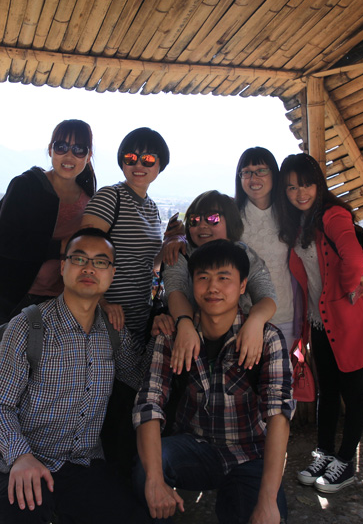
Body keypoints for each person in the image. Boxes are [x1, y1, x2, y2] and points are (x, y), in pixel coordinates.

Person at [0, 227, 148, 524]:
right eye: (79, 259)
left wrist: (171, 325)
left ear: (112, 274)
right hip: (23, 458)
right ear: (63, 267)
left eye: (100, 262)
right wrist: (20, 457)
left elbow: (140, 380)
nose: (89, 268)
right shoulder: (28, 326)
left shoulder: (113, 333)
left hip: (82, 463)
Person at [133, 239, 294, 524]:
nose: (213, 288)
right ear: (192, 284)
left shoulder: (267, 338)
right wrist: (154, 480)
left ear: (243, 286)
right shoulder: (173, 336)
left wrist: (268, 500)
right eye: (203, 278)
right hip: (193, 447)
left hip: (250, 453)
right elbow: (149, 404)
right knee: (145, 470)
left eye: (224, 278)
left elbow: (278, 414)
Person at [276, 153, 363, 494]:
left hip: (347, 321)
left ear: (318, 184)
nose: (300, 193)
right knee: (328, 391)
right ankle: (323, 454)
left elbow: (354, 258)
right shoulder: (300, 222)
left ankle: (345, 462)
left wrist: (348, 291)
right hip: (319, 323)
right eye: (291, 187)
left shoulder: (333, 215)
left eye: (306, 184)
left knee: (353, 393)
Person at [0, 119, 96, 406]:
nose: (69, 155)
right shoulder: (27, 185)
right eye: (62, 146)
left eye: (79, 149)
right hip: (8, 299)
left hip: (53, 305)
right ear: (50, 149)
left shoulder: (88, 198)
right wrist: (59, 247)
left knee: (41, 386)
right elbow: (5, 242)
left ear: (89, 155)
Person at [160, 191, 278, 375]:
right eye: (194, 220)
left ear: (230, 221)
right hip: (188, 336)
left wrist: (256, 321)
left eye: (212, 218)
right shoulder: (181, 254)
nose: (202, 225)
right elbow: (175, 291)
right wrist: (184, 323)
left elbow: (266, 295)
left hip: (238, 336)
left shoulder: (244, 256)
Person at [80, 127, 170, 345]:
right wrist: (102, 303)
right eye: (130, 158)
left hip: (140, 320)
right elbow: (81, 255)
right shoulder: (110, 197)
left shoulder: (152, 208)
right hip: (105, 319)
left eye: (148, 159)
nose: (138, 165)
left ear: (160, 164)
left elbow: (149, 263)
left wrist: (172, 241)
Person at [235, 147, 300, 349]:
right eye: (247, 172)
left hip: (285, 314)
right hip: (243, 317)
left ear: (274, 174)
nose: (253, 178)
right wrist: (175, 238)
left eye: (261, 170)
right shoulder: (232, 217)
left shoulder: (291, 214)